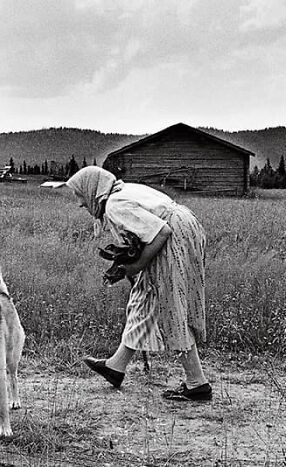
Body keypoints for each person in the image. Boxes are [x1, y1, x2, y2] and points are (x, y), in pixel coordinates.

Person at [65, 166, 212, 401]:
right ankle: (116, 366)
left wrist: (135, 265)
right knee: (144, 296)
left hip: (173, 236)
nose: (80, 203)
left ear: (92, 189)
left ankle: (197, 383)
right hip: (184, 229)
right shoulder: (123, 190)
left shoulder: (115, 205)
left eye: (80, 195)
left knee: (170, 305)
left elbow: (161, 232)